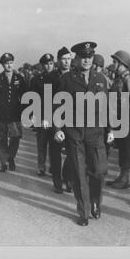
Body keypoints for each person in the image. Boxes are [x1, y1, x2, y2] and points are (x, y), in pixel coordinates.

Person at [53, 42, 114, 226]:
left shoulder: (101, 79)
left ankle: (95, 202)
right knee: (79, 174)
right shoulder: (66, 80)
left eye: (90, 56)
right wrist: (57, 129)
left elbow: (106, 106)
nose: (87, 60)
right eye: (83, 57)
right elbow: (57, 106)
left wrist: (111, 129)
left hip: (96, 133)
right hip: (74, 133)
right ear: (77, 59)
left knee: (98, 171)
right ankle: (84, 211)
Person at [106, 51, 130, 189]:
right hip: (119, 119)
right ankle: (122, 176)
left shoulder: (129, 79)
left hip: (127, 120)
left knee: (126, 150)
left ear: (122, 64)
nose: (113, 64)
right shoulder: (118, 78)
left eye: (116, 62)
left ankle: (126, 178)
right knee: (122, 149)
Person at [0, 53, 26, 172]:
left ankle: (11, 157)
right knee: (1, 138)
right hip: (1, 113)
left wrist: (26, 112)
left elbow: (25, 97)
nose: (9, 65)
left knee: (15, 138)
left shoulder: (19, 79)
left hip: (15, 114)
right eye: (6, 63)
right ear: (2, 65)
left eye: (11, 63)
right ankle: (3, 162)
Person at [46, 47, 73, 193]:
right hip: (55, 118)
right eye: (63, 59)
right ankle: (57, 179)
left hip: (71, 119)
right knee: (55, 151)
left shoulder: (75, 75)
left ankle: (67, 177)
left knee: (72, 151)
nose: (66, 61)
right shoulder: (51, 78)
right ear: (58, 60)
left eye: (69, 58)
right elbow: (46, 100)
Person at [30, 53, 55, 176]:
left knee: (54, 144)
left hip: (55, 116)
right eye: (46, 64)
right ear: (42, 65)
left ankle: (53, 166)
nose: (48, 66)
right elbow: (34, 99)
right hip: (41, 115)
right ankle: (41, 166)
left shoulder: (58, 78)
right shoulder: (36, 80)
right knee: (42, 142)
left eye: (51, 64)